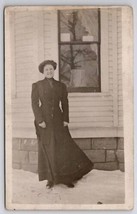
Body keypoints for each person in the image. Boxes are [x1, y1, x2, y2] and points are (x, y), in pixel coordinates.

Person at [31, 60, 93, 189]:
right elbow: (35, 104)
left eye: (51, 69)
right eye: (46, 69)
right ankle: (51, 179)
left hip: (59, 121)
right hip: (44, 123)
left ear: (54, 70)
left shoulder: (61, 86)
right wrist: (40, 120)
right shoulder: (37, 86)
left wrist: (65, 119)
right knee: (49, 149)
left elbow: (65, 103)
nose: (49, 71)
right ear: (43, 72)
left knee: (63, 149)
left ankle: (66, 178)